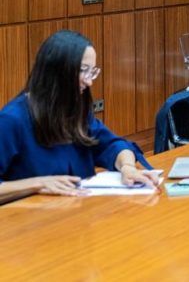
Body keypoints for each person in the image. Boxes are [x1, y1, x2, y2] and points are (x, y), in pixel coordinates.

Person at [0, 30, 158, 202]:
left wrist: (128, 168)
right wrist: (37, 184)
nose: (89, 82)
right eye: (83, 71)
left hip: (78, 212)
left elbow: (113, 144)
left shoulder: (74, 110)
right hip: (28, 221)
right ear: (57, 72)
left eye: (92, 72)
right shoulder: (11, 120)